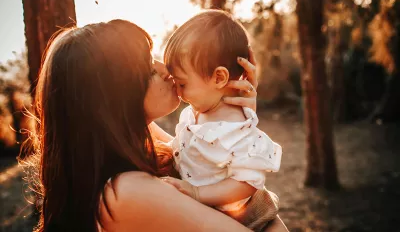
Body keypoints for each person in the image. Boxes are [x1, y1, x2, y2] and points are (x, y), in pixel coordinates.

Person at [27, 19, 288, 231]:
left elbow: (222, 168)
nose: (166, 69)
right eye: (148, 68)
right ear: (114, 96)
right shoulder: (125, 191)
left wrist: (236, 120)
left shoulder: (142, 143)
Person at [162, 10, 283, 232]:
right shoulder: (197, 110)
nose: (178, 92)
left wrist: (198, 193)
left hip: (245, 218)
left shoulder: (235, 127)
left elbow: (247, 182)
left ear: (219, 77)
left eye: (182, 83)